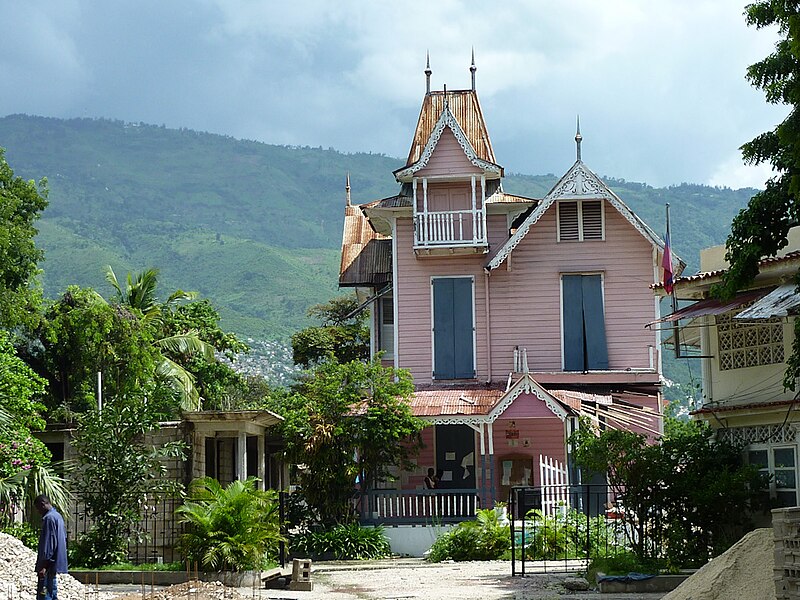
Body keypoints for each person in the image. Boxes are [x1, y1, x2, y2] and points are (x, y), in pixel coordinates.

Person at [34, 495, 67, 600]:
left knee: (45, 594)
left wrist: (44, 566)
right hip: (54, 563)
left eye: (38, 508)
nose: (38, 512)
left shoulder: (49, 518)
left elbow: (49, 545)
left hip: (48, 565)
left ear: (43, 504)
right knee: (52, 592)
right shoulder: (57, 516)